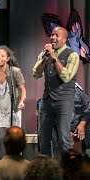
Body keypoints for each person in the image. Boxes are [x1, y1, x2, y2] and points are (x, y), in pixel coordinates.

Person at [32, 26, 80, 157]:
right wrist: (45, 59)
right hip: (47, 101)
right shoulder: (45, 54)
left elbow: (66, 76)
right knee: (43, 138)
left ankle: (68, 172)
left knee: (64, 139)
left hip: (64, 101)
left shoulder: (72, 55)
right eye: (52, 35)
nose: (52, 37)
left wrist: (54, 57)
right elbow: (35, 74)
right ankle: (47, 170)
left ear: (64, 39)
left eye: (56, 35)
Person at [0, 45, 26, 159]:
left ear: (8, 58)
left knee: (3, 138)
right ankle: (5, 158)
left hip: (11, 110)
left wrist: (21, 101)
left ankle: (5, 162)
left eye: (2, 56)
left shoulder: (14, 72)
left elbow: (23, 89)